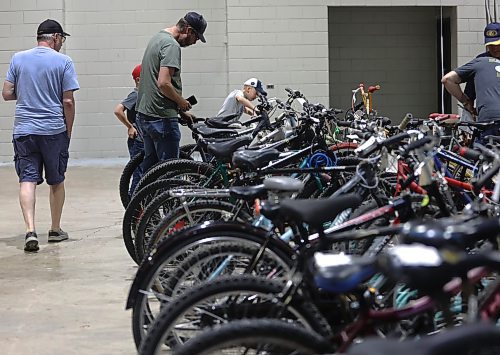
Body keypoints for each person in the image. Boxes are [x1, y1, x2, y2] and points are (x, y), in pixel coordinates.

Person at [2, 19, 79, 252]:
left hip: (24, 130)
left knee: (27, 179)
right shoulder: (64, 61)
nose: (62, 43)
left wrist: (28, 93)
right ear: (55, 37)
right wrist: (69, 129)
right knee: (56, 180)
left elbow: (6, 93)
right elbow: (67, 100)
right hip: (53, 130)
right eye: (61, 39)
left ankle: (30, 230)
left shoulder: (18, 58)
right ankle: (55, 230)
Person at [136, 11, 207, 174]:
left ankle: (145, 199)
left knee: (151, 170)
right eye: (196, 37)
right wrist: (181, 102)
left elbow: (154, 84)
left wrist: (180, 112)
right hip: (161, 119)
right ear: (188, 30)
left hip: (146, 115)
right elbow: (163, 83)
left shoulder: (157, 38)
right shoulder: (172, 46)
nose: (195, 42)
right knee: (170, 171)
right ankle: (167, 200)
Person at [441, 22, 500, 142]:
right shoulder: (479, 62)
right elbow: (469, 95)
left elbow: (448, 79)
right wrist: (467, 104)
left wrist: (466, 102)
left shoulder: (480, 61)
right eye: (490, 45)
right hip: (488, 122)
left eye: (498, 44)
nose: (494, 48)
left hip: (489, 123)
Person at [114, 64, 144, 196]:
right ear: (138, 80)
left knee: (143, 174)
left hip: (144, 140)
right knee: (138, 174)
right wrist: (130, 126)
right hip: (137, 142)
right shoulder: (136, 95)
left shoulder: (144, 95)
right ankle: (133, 206)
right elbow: (118, 110)